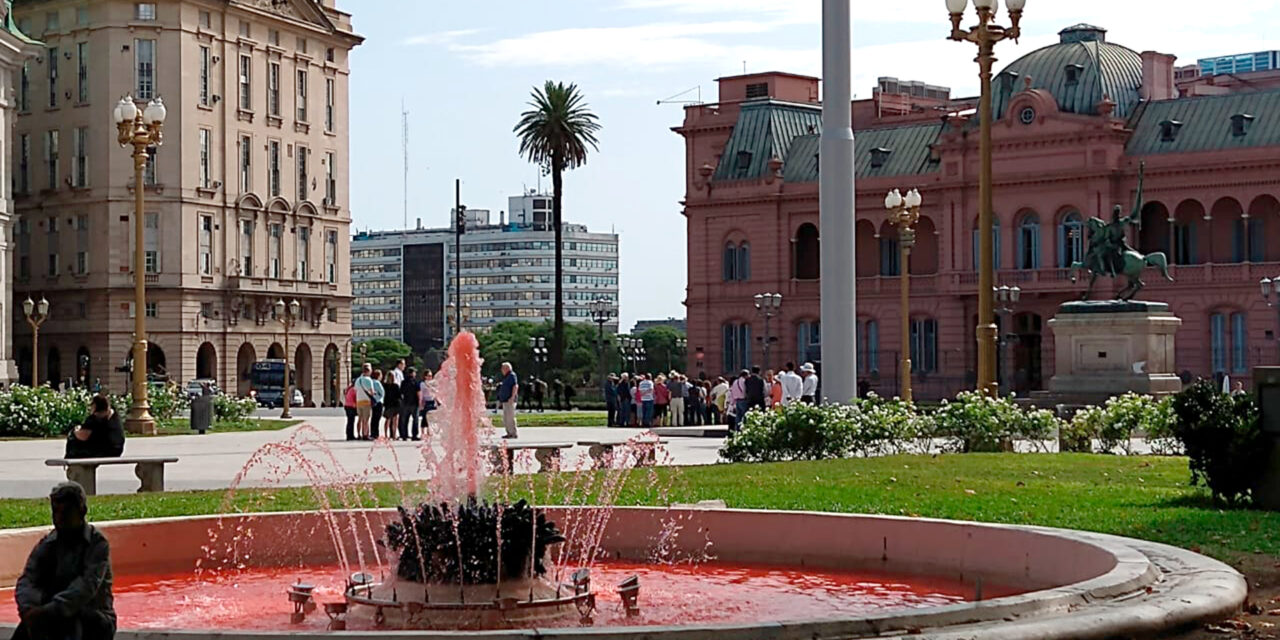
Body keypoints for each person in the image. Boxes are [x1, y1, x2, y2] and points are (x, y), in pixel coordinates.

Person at [13, 482, 116, 640]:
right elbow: (27, 580)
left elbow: (86, 587)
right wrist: (28, 610)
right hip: (52, 613)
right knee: (27, 630)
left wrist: (49, 610)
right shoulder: (48, 544)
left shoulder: (97, 544)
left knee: (70, 620)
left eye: (66, 512)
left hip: (94, 618)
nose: (59, 518)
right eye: (56, 511)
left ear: (82, 511)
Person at [497, 362, 519, 439]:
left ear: (507, 368)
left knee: (510, 417)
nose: (501, 370)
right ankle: (509, 432)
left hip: (510, 400)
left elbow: (515, 386)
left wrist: (512, 397)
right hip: (505, 400)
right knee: (506, 417)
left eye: (502, 368)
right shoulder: (507, 377)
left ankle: (513, 433)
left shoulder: (512, 375)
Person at [354, 364, 376, 440]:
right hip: (366, 401)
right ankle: (365, 434)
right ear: (368, 371)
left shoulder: (358, 380)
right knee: (366, 420)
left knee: (359, 419)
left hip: (358, 401)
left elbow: (355, 390)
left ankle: (358, 434)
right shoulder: (368, 380)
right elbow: (372, 391)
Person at [399, 368, 419, 441]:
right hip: (414, 403)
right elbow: (418, 393)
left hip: (405, 403)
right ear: (412, 373)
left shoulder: (403, 382)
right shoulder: (415, 382)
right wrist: (420, 402)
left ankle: (404, 435)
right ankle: (414, 435)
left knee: (405, 420)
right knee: (415, 420)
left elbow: (401, 393)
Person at [382, 369, 401, 441]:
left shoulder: (385, 386)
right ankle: (394, 435)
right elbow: (399, 395)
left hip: (388, 404)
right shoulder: (396, 386)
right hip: (395, 404)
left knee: (387, 420)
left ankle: (386, 435)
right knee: (395, 421)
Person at [418, 370, 437, 440]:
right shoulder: (422, 384)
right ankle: (423, 433)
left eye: (431, 376)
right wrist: (421, 403)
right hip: (426, 401)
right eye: (428, 376)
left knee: (431, 418)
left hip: (432, 401)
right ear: (425, 376)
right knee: (424, 418)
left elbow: (435, 392)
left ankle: (429, 431)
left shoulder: (433, 383)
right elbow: (421, 394)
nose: (430, 377)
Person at [369, 370, 387, 440]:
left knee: (373, 418)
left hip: (373, 402)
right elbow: (382, 392)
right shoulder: (377, 382)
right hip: (379, 402)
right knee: (377, 419)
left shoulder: (371, 382)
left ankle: (373, 433)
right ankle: (376, 433)